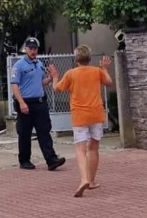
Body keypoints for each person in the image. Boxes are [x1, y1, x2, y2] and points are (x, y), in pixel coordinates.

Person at [47, 45, 113, 197]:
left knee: (80, 149)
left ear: (76, 59)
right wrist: (104, 69)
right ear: (90, 58)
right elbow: (109, 82)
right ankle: (92, 180)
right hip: (96, 114)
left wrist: (55, 76)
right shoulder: (96, 71)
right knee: (94, 149)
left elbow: (56, 89)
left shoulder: (71, 74)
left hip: (79, 116)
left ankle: (83, 179)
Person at [10, 37, 65, 171]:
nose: (33, 51)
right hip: (25, 103)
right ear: (26, 49)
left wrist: (51, 78)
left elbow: (40, 83)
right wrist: (21, 103)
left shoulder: (39, 64)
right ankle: (24, 160)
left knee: (44, 130)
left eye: (35, 49)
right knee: (25, 133)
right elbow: (15, 86)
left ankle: (51, 160)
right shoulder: (19, 65)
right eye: (30, 48)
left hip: (39, 102)